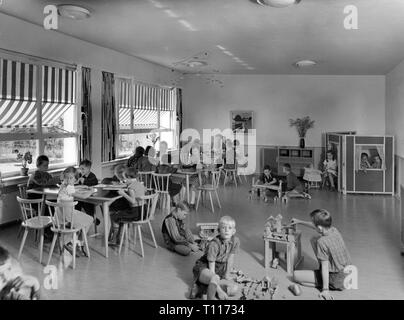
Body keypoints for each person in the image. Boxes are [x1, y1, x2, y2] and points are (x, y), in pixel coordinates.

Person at [290, 209, 352, 300]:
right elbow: (317, 226)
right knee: (314, 239)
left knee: (296, 276)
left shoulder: (322, 242)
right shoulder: (334, 230)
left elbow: (325, 266)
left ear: (319, 228)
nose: (312, 224)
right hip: (348, 273)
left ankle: (325, 285)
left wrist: (325, 290)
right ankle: (320, 281)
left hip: (337, 279)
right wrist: (299, 221)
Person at [191, 216, 240, 300]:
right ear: (218, 230)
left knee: (234, 289)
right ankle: (209, 295)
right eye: (223, 228)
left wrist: (227, 275)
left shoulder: (235, 241)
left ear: (233, 231)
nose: (227, 230)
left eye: (229, 228)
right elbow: (212, 271)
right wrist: (220, 291)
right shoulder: (214, 244)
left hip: (218, 271)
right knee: (215, 278)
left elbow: (230, 258)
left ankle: (200, 289)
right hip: (204, 268)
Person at [57, 167, 93, 257]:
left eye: (71, 178)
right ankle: (78, 243)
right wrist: (91, 191)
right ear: (64, 177)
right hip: (68, 216)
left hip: (59, 215)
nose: (68, 180)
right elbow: (84, 196)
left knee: (82, 222)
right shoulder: (69, 187)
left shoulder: (63, 185)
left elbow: (72, 188)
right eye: (67, 178)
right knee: (89, 219)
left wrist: (82, 186)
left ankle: (72, 242)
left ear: (75, 180)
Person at [109, 167, 146, 245]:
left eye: (125, 179)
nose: (125, 180)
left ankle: (116, 239)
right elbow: (138, 194)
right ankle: (120, 237)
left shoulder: (131, 188)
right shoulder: (139, 184)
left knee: (114, 216)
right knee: (121, 215)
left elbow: (132, 201)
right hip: (144, 211)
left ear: (129, 177)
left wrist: (123, 194)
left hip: (135, 213)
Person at [76, 159, 99, 224]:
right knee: (77, 202)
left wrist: (85, 181)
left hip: (91, 196)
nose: (81, 171)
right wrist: (77, 182)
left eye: (83, 169)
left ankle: (92, 217)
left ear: (88, 168)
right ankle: (77, 217)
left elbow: (94, 183)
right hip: (82, 195)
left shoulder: (92, 176)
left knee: (87, 204)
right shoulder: (80, 175)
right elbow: (78, 184)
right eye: (80, 169)